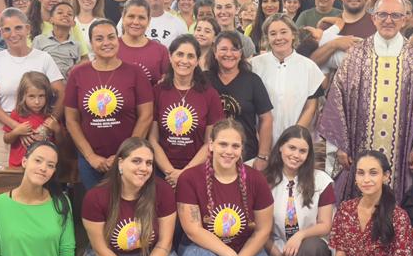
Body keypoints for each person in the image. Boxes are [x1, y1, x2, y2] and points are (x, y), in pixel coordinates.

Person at [318, 0, 413, 202]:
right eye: (383, 14)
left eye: (395, 15)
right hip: (357, 146)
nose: (388, 20)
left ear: (404, 20)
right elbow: (336, 100)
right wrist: (339, 145)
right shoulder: (357, 54)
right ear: (373, 18)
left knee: (397, 205)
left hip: (402, 152)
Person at [176, 119, 276, 256]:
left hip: (245, 245)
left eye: (235, 146)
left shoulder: (256, 180)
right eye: (223, 144)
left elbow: (263, 229)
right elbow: (193, 229)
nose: (228, 151)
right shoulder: (190, 178)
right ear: (210, 145)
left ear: (242, 149)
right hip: (202, 246)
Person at [81, 138, 182, 256]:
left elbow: (164, 243)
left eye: (149, 163)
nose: (144, 168)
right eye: (136, 161)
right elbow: (101, 250)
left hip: (149, 253)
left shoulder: (162, 190)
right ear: (120, 163)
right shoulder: (95, 197)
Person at [64, 20, 154, 190]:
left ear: (118, 40)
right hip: (90, 159)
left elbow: (146, 116)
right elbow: (71, 120)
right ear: (91, 43)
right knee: (96, 210)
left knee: (127, 210)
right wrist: (91, 156)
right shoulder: (78, 73)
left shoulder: (135, 73)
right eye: (99, 39)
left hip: (129, 159)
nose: (106, 43)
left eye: (111, 37)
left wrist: (126, 154)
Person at [262, 126, 335, 256]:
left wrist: (299, 236)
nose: (296, 155)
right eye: (291, 148)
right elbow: (262, 233)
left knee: (314, 249)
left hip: (310, 247)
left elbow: (325, 224)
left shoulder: (322, 181)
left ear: (309, 154)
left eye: (302, 151)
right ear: (280, 148)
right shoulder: (265, 181)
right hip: (278, 249)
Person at [0, 8, 64, 167]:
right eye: (7, 29)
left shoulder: (43, 58)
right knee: (2, 177)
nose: (13, 34)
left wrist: (51, 121)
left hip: (39, 124)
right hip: (5, 124)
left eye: (18, 28)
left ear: (27, 29)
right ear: (1, 32)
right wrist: (16, 127)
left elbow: (62, 93)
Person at [151, 35, 225, 185]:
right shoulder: (158, 92)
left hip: (197, 173)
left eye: (190, 56)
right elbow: (152, 139)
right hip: (162, 173)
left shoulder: (210, 95)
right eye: (179, 54)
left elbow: (210, 142)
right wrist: (170, 172)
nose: (184, 61)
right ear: (170, 57)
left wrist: (185, 173)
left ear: (197, 61)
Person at [250, 14, 324, 146]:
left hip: (295, 141)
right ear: (267, 38)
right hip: (259, 141)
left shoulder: (308, 67)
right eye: (273, 33)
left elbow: (310, 107)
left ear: (293, 35)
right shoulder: (254, 65)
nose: (279, 38)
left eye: (284, 32)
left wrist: (293, 136)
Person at [208, 30, 274, 168]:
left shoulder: (252, 80)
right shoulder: (204, 79)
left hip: (246, 155)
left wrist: (262, 156)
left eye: (234, 49)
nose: (229, 54)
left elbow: (266, 118)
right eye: (223, 49)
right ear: (215, 52)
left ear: (241, 54)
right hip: (209, 154)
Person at [2, 71, 56, 167]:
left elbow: (62, 143)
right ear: (23, 96)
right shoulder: (17, 113)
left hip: (44, 168)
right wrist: (16, 132)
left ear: (47, 96)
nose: (37, 101)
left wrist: (57, 129)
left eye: (41, 96)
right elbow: (6, 139)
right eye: (31, 96)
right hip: (18, 166)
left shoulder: (51, 115)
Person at [117, 0, 170, 86]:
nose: (136, 22)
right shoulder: (111, 48)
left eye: (141, 18)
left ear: (148, 20)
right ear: (123, 17)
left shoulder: (161, 51)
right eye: (131, 16)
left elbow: (167, 83)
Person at [32, 1, 81, 78]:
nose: (65, 15)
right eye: (60, 13)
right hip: (44, 82)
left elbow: (77, 70)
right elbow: (34, 65)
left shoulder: (76, 45)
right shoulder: (39, 40)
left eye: (69, 14)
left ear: (73, 23)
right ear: (51, 20)